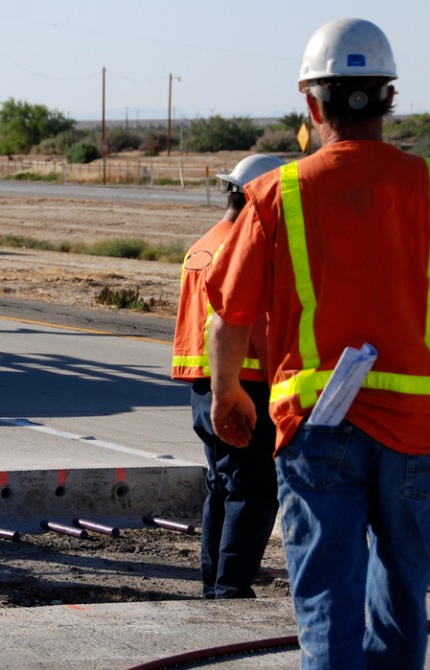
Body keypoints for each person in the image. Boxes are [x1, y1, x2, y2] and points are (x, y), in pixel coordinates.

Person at [205, 18, 430, 668]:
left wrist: (227, 398)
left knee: (329, 604)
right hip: (423, 431)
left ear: (311, 102)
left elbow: (227, 319)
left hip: (319, 428)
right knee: (403, 601)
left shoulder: (276, 195)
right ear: (389, 98)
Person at [172, 154, 285, 599]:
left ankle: (215, 584)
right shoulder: (244, 247)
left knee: (221, 486)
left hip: (206, 387)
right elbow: (249, 323)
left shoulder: (203, 244)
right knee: (254, 490)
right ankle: (232, 589)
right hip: (246, 386)